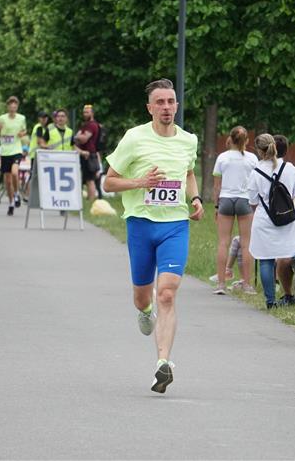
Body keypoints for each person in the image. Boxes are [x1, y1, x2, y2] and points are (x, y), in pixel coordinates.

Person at [103, 78, 203, 394]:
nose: (166, 107)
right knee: (143, 297)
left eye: (171, 101)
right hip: (141, 225)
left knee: (168, 294)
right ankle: (145, 313)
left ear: (177, 105)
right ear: (150, 108)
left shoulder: (188, 140)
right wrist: (140, 183)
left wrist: (195, 198)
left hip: (175, 225)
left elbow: (188, 173)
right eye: (160, 102)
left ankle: (163, 363)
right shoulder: (134, 138)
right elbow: (108, 182)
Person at [249, 134, 295, 309]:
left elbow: (253, 200)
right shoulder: (289, 168)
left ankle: (270, 301)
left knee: (265, 259)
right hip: (289, 219)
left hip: (265, 220)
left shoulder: (256, 172)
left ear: (259, 151)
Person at [212, 126, 258, 295]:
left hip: (226, 199)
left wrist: (216, 206)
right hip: (245, 200)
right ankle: (247, 284)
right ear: (247, 140)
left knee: (223, 242)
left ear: (230, 138)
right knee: (246, 243)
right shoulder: (252, 159)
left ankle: (221, 284)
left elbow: (217, 186)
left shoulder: (222, 158)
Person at [269, 134, 295, 305]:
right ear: (286, 151)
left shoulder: (260, 168)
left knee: (278, 256)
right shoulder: (291, 169)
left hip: (269, 217)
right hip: (290, 217)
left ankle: (285, 294)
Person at [0, 96, 27, 215]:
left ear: (17, 107)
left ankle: (17, 194)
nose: (13, 108)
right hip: (5, 151)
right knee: (7, 181)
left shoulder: (21, 118)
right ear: (8, 107)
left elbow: (24, 130)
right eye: (11, 106)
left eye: (15, 106)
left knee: (14, 173)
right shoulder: (2, 118)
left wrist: (22, 133)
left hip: (16, 150)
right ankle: (11, 203)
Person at [74, 104, 103, 201]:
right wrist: (78, 137)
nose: (85, 114)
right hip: (87, 154)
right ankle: (90, 198)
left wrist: (75, 137)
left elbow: (83, 139)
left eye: (87, 112)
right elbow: (80, 137)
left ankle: (91, 199)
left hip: (89, 154)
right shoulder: (86, 125)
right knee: (87, 179)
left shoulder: (91, 125)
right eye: (84, 112)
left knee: (90, 179)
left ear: (92, 113)